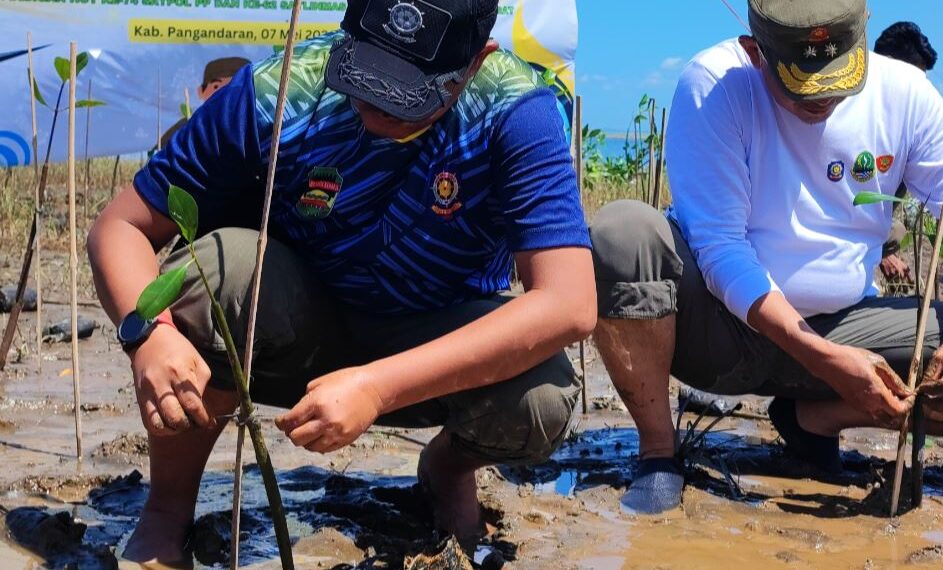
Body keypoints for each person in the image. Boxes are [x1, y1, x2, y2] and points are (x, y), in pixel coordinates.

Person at [87, 0, 595, 563]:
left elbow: (569, 302)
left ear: (477, 61)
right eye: (366, 77)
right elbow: (120, 227)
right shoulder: (278, 92)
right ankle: (166, 510)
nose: (379, 105)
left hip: (431, 345)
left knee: (541, 394)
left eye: (410, 94)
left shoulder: (515, 109)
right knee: (222, 270)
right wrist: (147, 334)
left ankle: (447, 471)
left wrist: (376, 388)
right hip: (292, 330)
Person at [590, 0, 943, 515]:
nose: (825, 99)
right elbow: (721, 248)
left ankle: (815, 419)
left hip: (848, 326)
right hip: (722, 334)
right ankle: (658, 451)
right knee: (623, 231)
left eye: (839, 79)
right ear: (755, 53)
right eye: (803, 85)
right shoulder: (714, 85)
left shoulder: (904, 93)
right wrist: (821, 357)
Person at [872, 21, 939, 283]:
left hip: (869, 231)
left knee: (897, 230)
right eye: (911, 81)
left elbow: (890, 210)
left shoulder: (907, 125)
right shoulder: (841, 110)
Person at [157, 57, 250, 150]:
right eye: (216, 86)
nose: (225, 93)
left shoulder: (256, 128)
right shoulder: (184, 130)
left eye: (236, 87)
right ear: (201, 91)